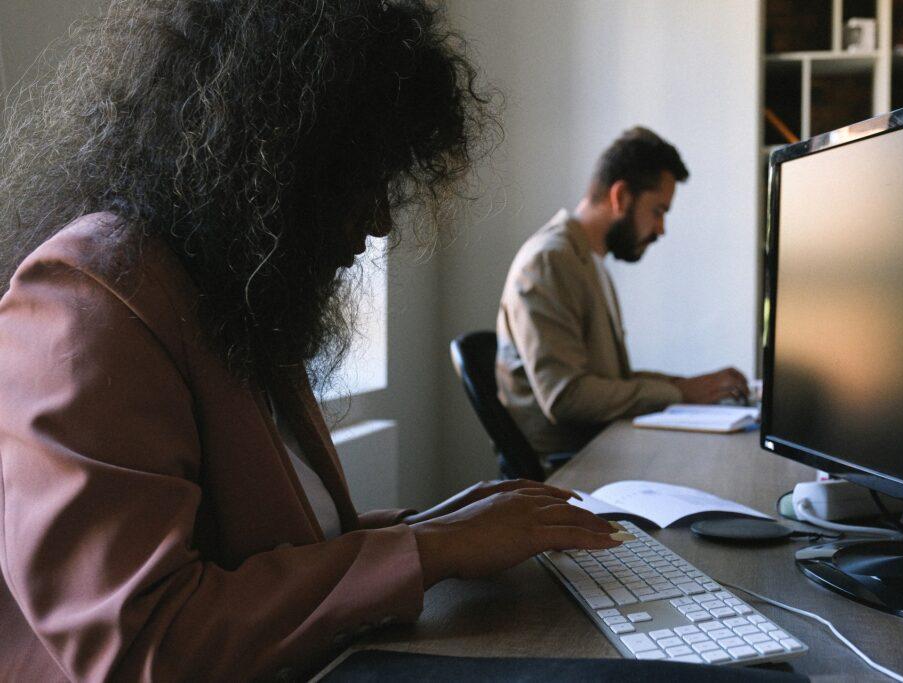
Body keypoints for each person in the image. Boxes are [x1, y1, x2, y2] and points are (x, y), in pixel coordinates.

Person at [0, 1, 627, 680]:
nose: (382, 220)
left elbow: (289, 551)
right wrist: (429, 549)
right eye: (365, 180)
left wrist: (446, 525)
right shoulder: (89, 294)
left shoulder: (235, 295)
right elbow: (144, 643)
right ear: (275, 155)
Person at [496, 127, 750, 460]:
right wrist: (680, 392)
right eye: (658, 211)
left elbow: (609, 380)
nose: (661, 229)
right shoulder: (550, 260)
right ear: (620, 197)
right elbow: (566, 397)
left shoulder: (589, 261)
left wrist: (693, 386)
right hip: (565, 474)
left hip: (600, 450)